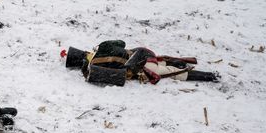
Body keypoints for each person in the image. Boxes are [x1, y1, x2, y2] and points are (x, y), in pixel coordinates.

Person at [62, 40, 220, 86]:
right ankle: (209, 76)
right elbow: (121, 43)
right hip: (142, 60)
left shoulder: (93, 68)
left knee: (170, 70)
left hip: (140, 68)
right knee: (171, 70)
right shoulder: (102, 47)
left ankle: (209, 76)